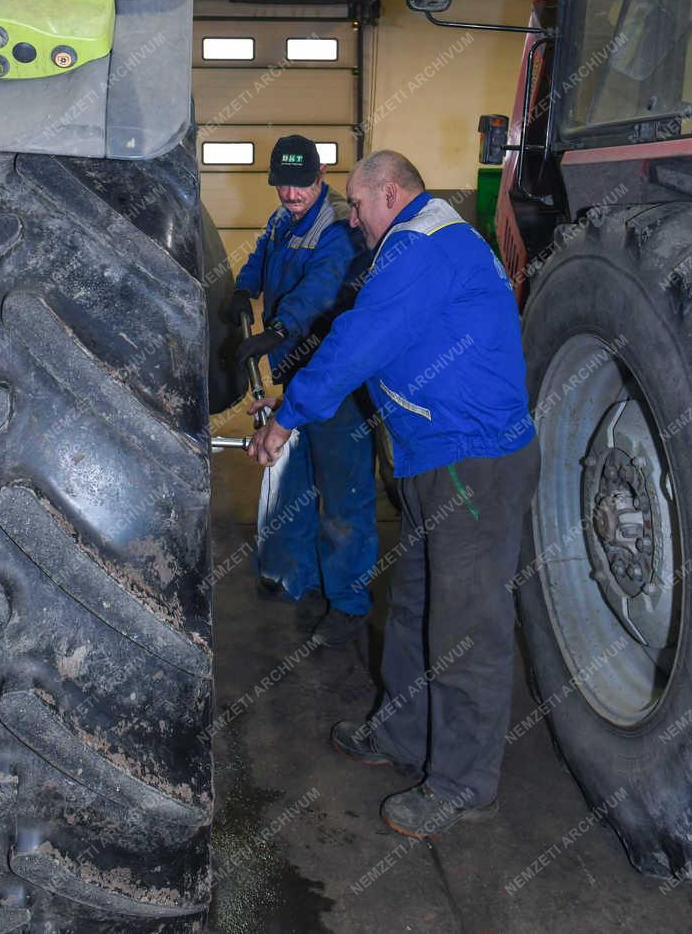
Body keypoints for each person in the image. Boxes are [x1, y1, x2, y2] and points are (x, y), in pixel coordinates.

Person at [247, 149, 539, 837]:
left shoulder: (420, 246)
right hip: (431, 458)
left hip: (473, 463)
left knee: (466, 627)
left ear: (388, 192)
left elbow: (358, 341)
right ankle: (403, 734)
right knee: (414, 606)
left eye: (355, 204)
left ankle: (464, 784)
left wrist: (287, 418)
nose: (351, 220)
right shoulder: (422, 240)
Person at [226, 134, 376, 647]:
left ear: (321, 179)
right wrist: (243, 290)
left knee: (342, 492)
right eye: (283, 184)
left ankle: (349, 603)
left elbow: (323, 285)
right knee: (297, 478)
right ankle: (299, 576)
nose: (291, 193)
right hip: (298, 371)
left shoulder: (337, 226)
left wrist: (281, 327)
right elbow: (263, 256)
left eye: (302, 184)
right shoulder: (281, 220)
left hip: (334, 375)